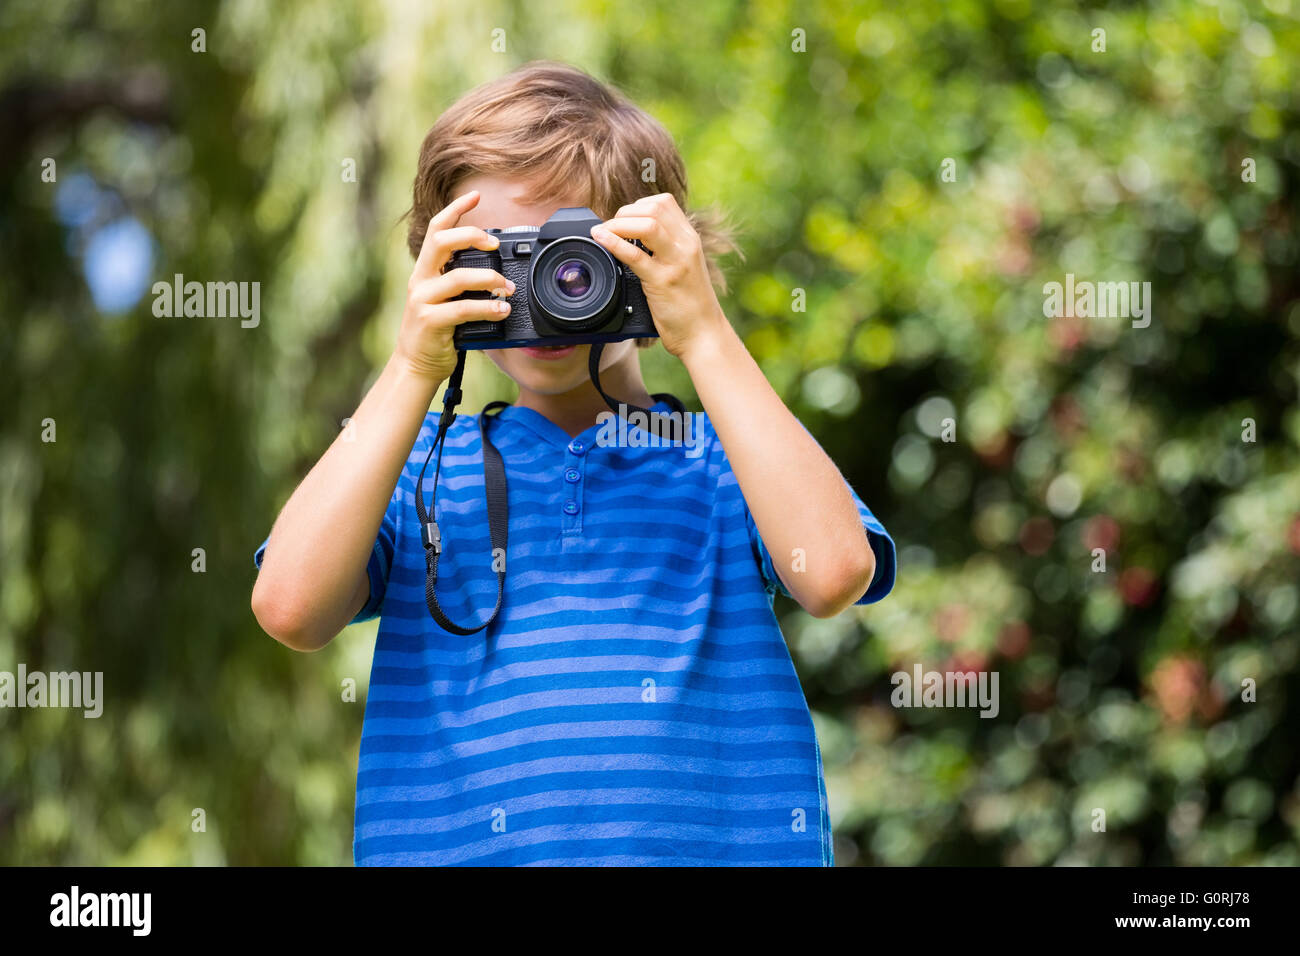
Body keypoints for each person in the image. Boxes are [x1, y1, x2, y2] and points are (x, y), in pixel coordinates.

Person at [251, 61, 896, 866]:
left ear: (658, 255)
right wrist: (412, 368)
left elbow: (835, 573)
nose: (552, 289)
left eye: (576, 255)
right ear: (440, 269)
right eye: (502, 257)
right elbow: (290, 609)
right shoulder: (413, 471)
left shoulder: (724, 458)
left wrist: (703, 332)